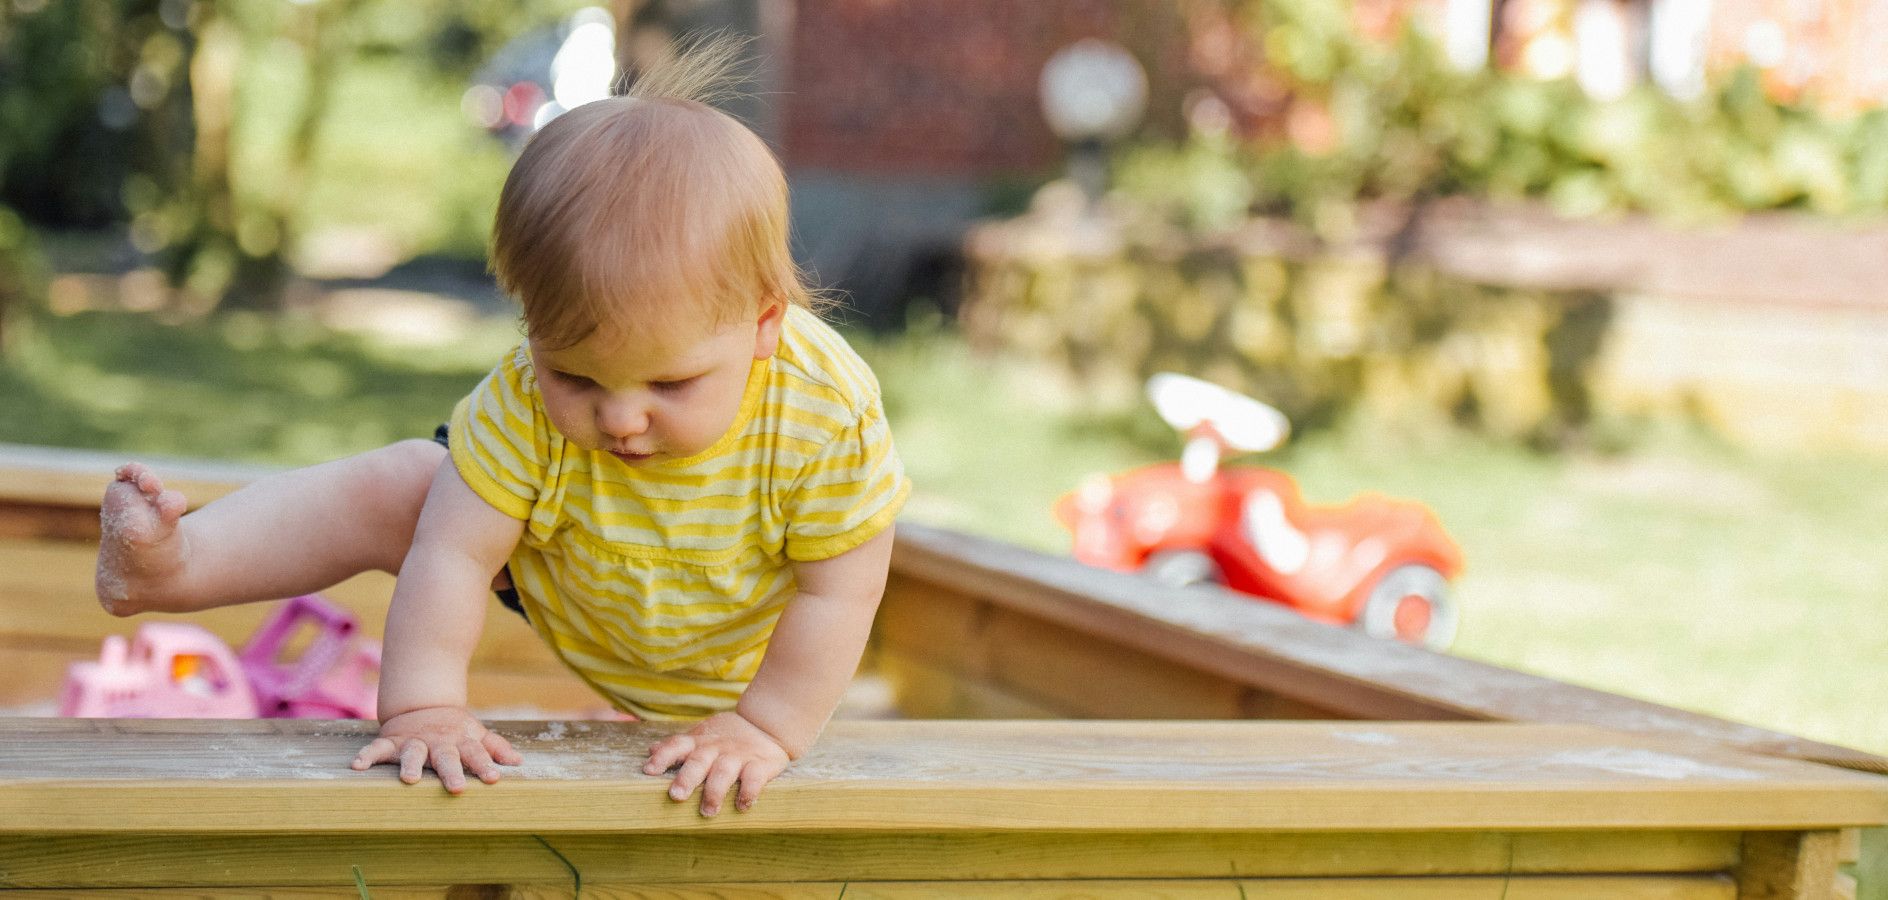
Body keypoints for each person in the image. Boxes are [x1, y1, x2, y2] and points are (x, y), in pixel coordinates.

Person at [91, 36, 909, 818]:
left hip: (745, 649)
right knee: (410, 485)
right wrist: (423, 708)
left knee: (801, 627)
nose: (620, 418)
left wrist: (765, 727)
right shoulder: (520, 398)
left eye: (672, 381)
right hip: (578, 575)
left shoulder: (821, 414)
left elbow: (841, 590)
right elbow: (452, 556)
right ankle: (175, 566)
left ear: (765, 325)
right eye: (576, 377)